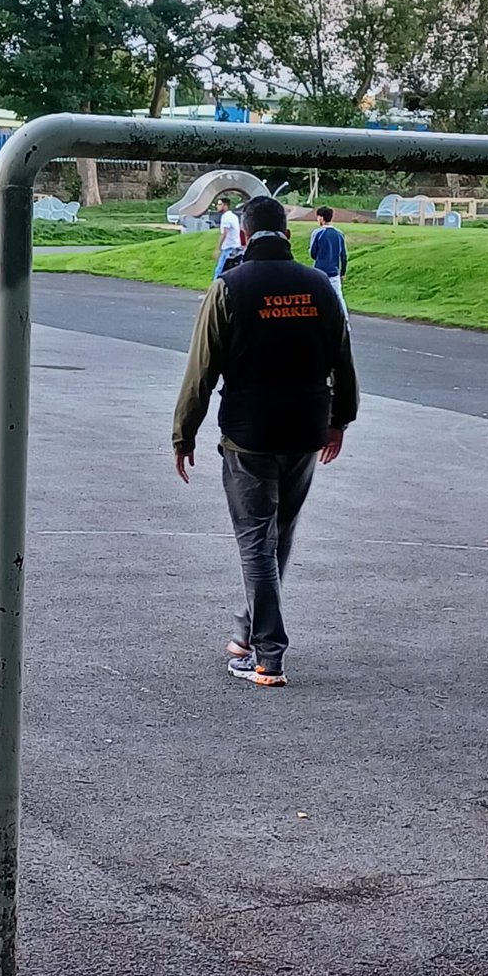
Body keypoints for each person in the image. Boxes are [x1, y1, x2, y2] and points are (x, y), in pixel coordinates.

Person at [173, 196, 359, 687]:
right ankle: (246, 629)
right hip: (305, 430)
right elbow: (343, 358)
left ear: (246, 235)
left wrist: (183, 432)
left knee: (256, 541)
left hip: (249, 433)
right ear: (289, 235)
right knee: (279, 534)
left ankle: (267, 654)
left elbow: (201, 371)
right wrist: (341, 418)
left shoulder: (229, 288)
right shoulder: (320, 287)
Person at [309, 205, 349, 318]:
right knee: (338, 297)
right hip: (334, 271)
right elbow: (344, 255)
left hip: (319, 271)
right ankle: (345, 321)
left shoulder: (317, 233)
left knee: (316, 297)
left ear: (321, 218)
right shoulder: (339, 234)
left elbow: (313, 253)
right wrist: (343, 272)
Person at [212, 197, 242, 279]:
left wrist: (217, 248)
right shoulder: (233, 216)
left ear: (225, 206)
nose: (217, 206)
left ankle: (216, 289)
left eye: (219, 204)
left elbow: (224, 234)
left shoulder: (226, 217)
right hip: (236, 247)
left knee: (219, 271)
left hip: (228, 248)